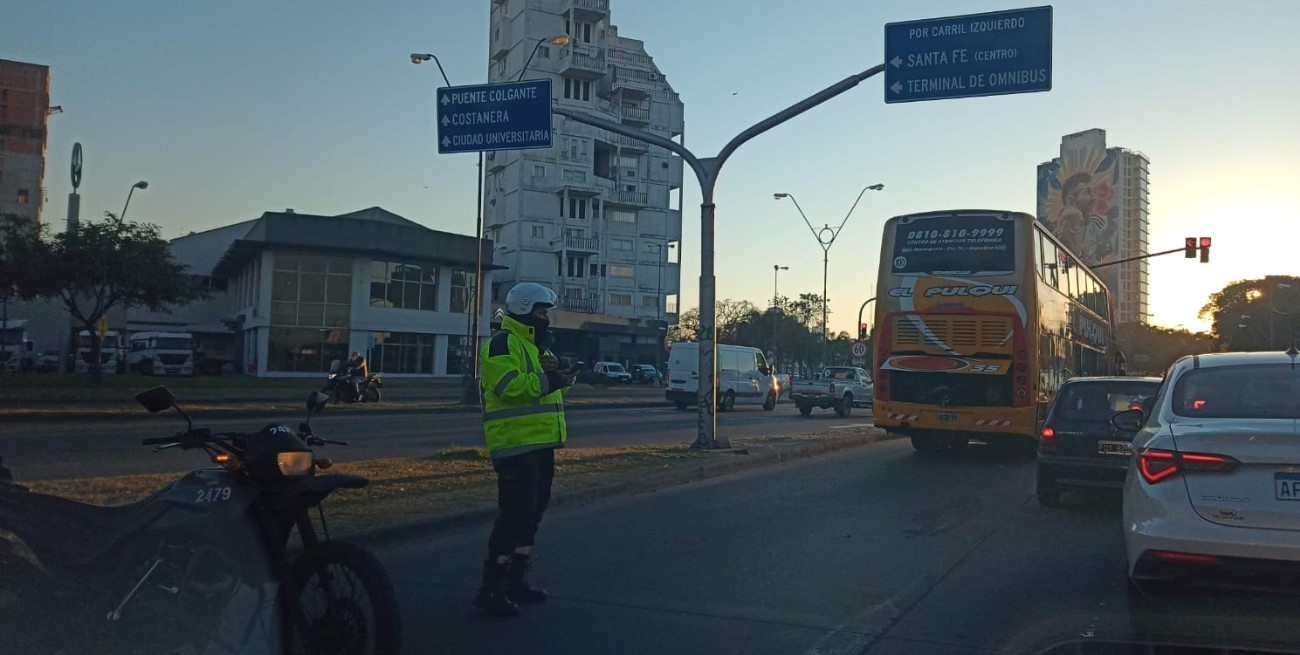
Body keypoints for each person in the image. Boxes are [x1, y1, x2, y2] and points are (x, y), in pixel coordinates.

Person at [473, 282, 576, 617]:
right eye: (542, 311)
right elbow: (509, 387)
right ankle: (491, 589)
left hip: (540, 445)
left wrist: (565, 372)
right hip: (514, 446)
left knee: (532, 515)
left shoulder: (534, 347)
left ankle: (515, 580)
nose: (547, 317)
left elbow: (551, 383)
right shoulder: (502, 344)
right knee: (514, 517)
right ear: (525, 309)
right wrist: (553, 380)